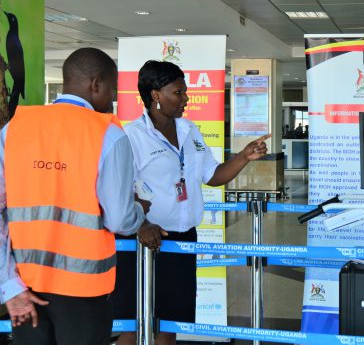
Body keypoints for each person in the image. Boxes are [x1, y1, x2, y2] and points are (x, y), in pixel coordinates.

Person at [114, 60, 270, 345]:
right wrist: (142, 223)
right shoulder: (131, 136)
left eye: (185, 92)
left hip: (182, 239)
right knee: (133, 322)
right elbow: (120, 188)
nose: (185, 98)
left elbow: (212, 176)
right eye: (179, 93)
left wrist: (243, 157)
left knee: (170, 322)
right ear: (155, 95)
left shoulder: (189, 130)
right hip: (142, 240)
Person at [0, 48, 148, 344]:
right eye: (112, 89)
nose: (112, 99)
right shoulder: (108, 134)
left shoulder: (13, 129)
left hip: (25, 288)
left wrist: (9, 287)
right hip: (85, 291)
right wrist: (140, 210)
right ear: (96, 84)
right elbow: (119, 219)